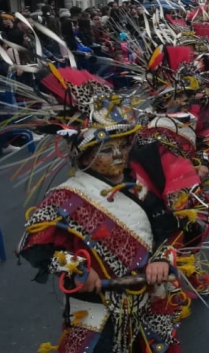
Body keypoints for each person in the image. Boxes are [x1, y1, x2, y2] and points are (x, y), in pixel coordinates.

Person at [17, 70, 184, 352]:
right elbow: (32, 246)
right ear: (83, 155)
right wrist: (78, 269)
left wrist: (161, 261)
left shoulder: (139, 187)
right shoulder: (65, 196)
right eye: (106, 150)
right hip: (93, 307)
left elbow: (166, 231)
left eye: (122, 146)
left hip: (144, 299)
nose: (118, 156)